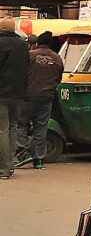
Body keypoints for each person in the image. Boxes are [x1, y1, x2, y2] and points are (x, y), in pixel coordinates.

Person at [20, 33, 64, 170]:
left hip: (28, 96)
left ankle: (23, 152)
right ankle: (39, 160)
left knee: (21, 124)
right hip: (46, 98)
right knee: (41, 128)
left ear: (38, 42)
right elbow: (59, 78)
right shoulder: (57, 58)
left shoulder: (30, 55)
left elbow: (21, 74)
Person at [0, 17, 29, 179]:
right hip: (19, 94)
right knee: (12, 128)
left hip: (2, 93)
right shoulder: (23, 46)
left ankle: (3, 169)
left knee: (2, 130)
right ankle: (10, 166)